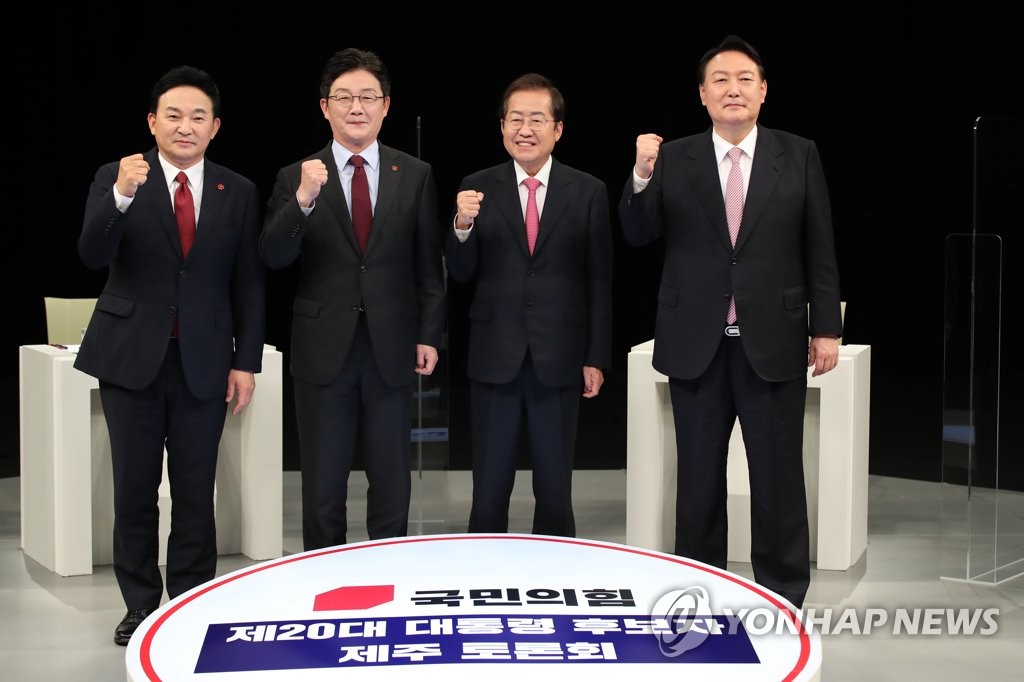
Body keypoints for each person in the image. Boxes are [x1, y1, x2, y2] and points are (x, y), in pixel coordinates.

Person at [618, 35, 842, 609]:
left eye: (745, 79)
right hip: (698, 343)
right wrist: (641, 173)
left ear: (763, 90)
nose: (733, 89)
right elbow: (638, 233)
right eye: (720, 80)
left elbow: (819, 246)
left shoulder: (798, 153)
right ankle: (700, 594)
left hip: (774, 340)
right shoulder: (673, 157)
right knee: (697, 482)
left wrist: (826, 327)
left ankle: (782, 596)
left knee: (778, 481)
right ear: (702, 94)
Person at [75, 65, 266, 645]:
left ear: (215, 127)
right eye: (174, 115)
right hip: (131, 359)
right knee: (134, 491)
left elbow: (249, 283)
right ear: (152, 122)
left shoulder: (238, 190)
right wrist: (121, 196)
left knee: (195, 492)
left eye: (198, 117)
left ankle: (188, 600)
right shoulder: (118, 176)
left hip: (204, 363)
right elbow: (91, 254)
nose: (186, 126)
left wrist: (246, 361)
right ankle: (139, 604)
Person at [260, 48, 445, 551]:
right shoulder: (296, 176)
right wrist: (303, 200)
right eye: (344, 97)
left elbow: (428, 265)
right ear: (325, 107)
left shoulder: (415, 173)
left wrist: (429, 334)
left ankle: (389, 570)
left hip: (391, 346)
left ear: (386, 105)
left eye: (367, 97)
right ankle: (324, 575)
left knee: (391, 481)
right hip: (322, 348)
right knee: (323, 483)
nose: (356, 107)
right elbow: (272, 255)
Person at [447, 73, 613, 537]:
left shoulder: (588, 191)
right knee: (489, 487)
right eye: (515, 119)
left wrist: (595, 356)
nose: (525, 129)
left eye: (537, 119)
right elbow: (460, 272)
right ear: (502, 126)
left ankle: (556, 569)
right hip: (494, 354)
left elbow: (599, 281)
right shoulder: (476, 187)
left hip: (560, 357)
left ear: (557, 128)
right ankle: (484, 569)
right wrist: (461, 226)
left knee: (555, 488)